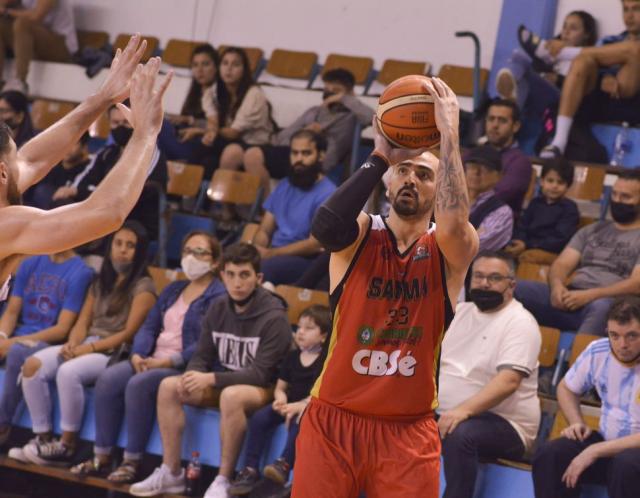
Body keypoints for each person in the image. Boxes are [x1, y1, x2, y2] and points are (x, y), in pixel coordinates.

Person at [292, 78, 479, 497]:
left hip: (406, 431)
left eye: (424, 175)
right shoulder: (360, 233)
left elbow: (454, 222)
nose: (411, 179)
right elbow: (325, 227)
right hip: (334, 421)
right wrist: (381, 156)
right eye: (404, 171)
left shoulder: (448, 249)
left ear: (439, 188)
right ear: (388, 183)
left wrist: (449, 136)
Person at [0, 35, 172, 307]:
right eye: (14, 158)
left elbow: (33, 160)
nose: (21, 160)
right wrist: (145, 135)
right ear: (2, 174)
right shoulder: (5, 225)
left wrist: (102, 99)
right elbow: (106, 214)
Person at [129, 243, 292, 498]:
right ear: (222, 276)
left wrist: (210, 378)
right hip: (223, 381)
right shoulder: (218, 307)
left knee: (232, 396)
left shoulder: (274, 317)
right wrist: (193, 375)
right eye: (231, 275)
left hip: (265, 388)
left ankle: (222, 480)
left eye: (244, 275)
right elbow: (202, 355)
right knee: (170, 386)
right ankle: (171, 472)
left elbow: (260, 374)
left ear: (258, 278)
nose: (237, 283)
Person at [69, 231, 226, 483]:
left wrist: (168, 361)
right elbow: (149, 327)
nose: (191, 258)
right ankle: (101, 456)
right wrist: (138, 354)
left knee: (138, 384)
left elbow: (206, 343)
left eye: (199, 252)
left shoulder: (219, 297)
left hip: (182, 365)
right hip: (150, 358)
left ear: (215, 261)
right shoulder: (174, 289)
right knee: (109, 379)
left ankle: (131, 461)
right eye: (187, 251)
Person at [8, 222, 156, 466]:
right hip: (86, 344)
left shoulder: (144, 287)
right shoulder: (100, 281)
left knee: (68, 372)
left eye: (130, 246)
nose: (123, 250)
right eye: (118, 243)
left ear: (140, 252)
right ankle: (44, 438)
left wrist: (88, 349)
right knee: (32, 365)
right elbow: (82, 322)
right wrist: (73, 343)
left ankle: (67, 445)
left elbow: (128, 334)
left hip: (113, 352)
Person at [438, 251, 541, 498]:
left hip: (505, 424)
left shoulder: (520, 322)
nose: (484, 283)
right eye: (479, 276)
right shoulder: (459, 312)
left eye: (494, 278)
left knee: (461, 435)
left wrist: (462, 411)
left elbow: (509, 381)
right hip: (447, 412)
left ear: (511, 285)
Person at [532, 296, 640, 498]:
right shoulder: (598, 351)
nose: (622, 344)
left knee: (625, 465)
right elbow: (566, 388)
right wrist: (576, 422)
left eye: (632, 336)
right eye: (614, 335)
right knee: (551, 454)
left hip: (631, 455)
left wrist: (595, 450)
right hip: (606, 444)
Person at [516, 171, 640, 336]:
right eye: (615, 194)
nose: (617, 200)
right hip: (571, 295)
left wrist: (590, 295)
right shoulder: (592, 230)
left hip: (609, 303)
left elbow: (636, 284)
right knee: (510, 288)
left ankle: (579, 352)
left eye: (625, 197)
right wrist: (557, 287)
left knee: (603, 307)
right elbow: (562, 263)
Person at [229, 304, 331, 495]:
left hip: (309, 406)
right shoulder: (292, 357)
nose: (301, 332)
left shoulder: (325, 361)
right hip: (288, 404)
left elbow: (319, 393)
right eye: (299, 327)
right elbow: (281, 387)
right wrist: (280, 400)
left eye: (309, 328)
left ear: (324, 336)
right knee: (260, 418)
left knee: (300, 422)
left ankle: (283, 465)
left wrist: (299, 406)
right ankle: (250, 469)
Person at [0, 248, 93, 446]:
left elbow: (62, 329)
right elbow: (11, 311)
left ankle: (3, 425)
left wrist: (11, 343)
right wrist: (2, 337)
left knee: (16, 351)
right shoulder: (29, 263)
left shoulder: (80, 272)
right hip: (19, 337)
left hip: (48, 343)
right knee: (13, 348)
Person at [242, 68, 375, 195]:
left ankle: (265, 207)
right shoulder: (314, 112)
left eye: (336, 91)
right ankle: (261, 204)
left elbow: (372, 117)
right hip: (293, 154)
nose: (330, 95)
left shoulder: (352, 117)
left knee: (253, 155)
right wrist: (303, 134)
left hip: (320, 161)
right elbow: (280, 139)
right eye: (326, 90)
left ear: (349, 93)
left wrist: (344, 98)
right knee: (242, 152)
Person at [538, 0, 640, 158]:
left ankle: (566, 52)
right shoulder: (609, 41)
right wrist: (604, 76)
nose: (630, 16)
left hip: (631, 102)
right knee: (583, 61)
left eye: (636, 9)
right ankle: (558, 142)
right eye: (626, 9)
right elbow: (589, 71)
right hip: (601, 101)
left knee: (635, 49)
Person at [51, 103, 168, 239]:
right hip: (101, 213)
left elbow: (122, 197)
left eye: (126, 123)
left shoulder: (150, 154)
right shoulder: (107, 153)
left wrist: (85, 192)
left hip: (135, 219)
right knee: (61, 205)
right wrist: (80, 191)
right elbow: (80, 184)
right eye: (115, 123)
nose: (120, 128)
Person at [252, 130, 336, 285]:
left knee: (263, 270)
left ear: (321, 156)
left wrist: (271, 254)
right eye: (295, 153)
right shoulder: (284, 185)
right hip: (274, 254)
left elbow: (314, 244)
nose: (299, 159)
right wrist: (257, 250)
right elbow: (264, 229)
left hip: (305, 260)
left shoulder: (329, 193)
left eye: (306, 153)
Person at [495, 11, 598, 115]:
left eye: (573, 28)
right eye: (564, 27)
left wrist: (558, 79)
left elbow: (585, 89)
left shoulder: (589, 61)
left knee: (521, 60)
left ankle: (509, 108)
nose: (566, 32)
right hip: (539, 96)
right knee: (518, 58)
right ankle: (510, 105)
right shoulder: (554, 56)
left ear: (587, 34)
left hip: (561, 103)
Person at [204, 47, 275, 176]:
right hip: (229, 141)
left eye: (235, 64)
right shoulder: (213, 91)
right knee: (201, 151)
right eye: (225, 63)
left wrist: (206, 131)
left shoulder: (254, 94)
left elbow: (233, 133)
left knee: (223, 151)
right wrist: (210, 132)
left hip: (256, 145)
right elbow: (212, 120)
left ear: (244, 70)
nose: (229, 69)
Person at [157, 43, 221, 166]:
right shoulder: (195, 92)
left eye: (205, 64)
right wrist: (179, 119)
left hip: (203, 143)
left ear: (216, 67)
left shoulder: (219, 93)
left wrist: (190, 120)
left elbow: (218, 127)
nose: (199, 70)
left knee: (159, 126)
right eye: (195, 65)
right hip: (186, 137)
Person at [467, 99, 532, 214]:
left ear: (516, 126)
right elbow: (451, 182)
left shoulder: (520, 162)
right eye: (491, 119)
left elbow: (498, 196)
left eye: (502, 120)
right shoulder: (473, 153)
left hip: (496, 221)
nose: (495, 125)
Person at [506, 158, 579, 259]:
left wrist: (528, 245)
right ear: (542, 181)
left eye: (560, 182)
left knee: (528, 256)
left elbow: (560, 239)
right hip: (525, 245)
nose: (554, 186)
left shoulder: (569, 209)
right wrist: (520, 241)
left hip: (549, 251)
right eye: (550, 181)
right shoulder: (535, 203)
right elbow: (522, 226)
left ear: (568, 186)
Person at [0, 0, 77, 93]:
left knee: (23, 24)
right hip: (34, 42)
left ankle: (19, 81)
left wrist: (7, 12)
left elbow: (36, 16)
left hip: (61, 46)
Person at [465, 144, 514, 252]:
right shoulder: (449, 200)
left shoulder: (502, 212)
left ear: (499, 176)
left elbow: (471, 246)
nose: (476, 172)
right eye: (472, 167)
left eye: (485, 169)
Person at [24, 132, 91, 209]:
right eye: (65, 143)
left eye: (74, 143)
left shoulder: (88, 172)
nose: (68, 148)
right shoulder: (49, 165)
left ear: (84, 147)